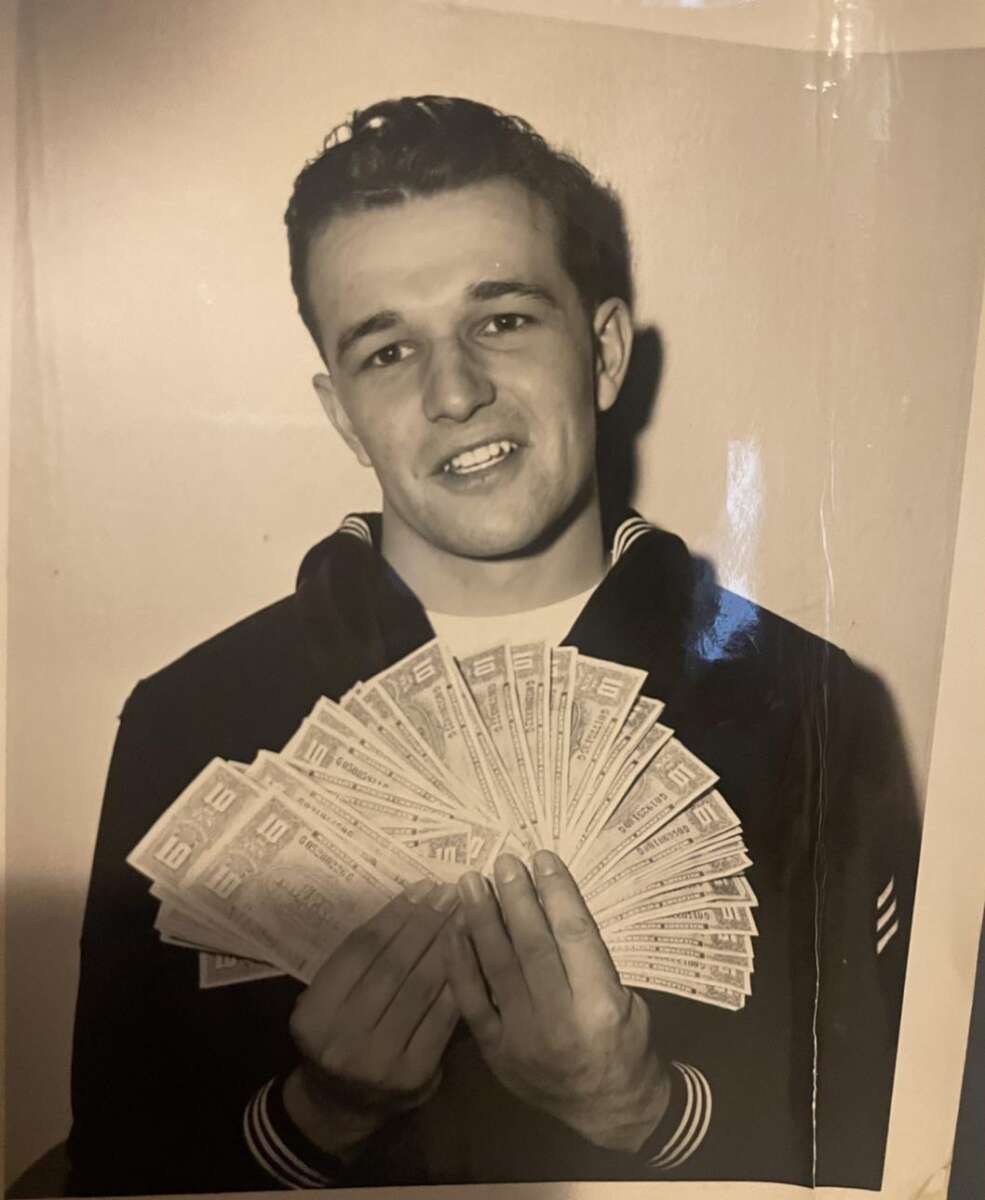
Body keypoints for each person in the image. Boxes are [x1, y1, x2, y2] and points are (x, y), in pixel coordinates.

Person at [66, 96, 920, 1195]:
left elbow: (892, 1146)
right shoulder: (193, 719)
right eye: (387, 349)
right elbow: (111, 1166)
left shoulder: (811, 704)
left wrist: (647, 1108)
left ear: (603, 352)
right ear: (341, 413)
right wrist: (317, 1116)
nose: (455, 391)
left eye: (502, 319)